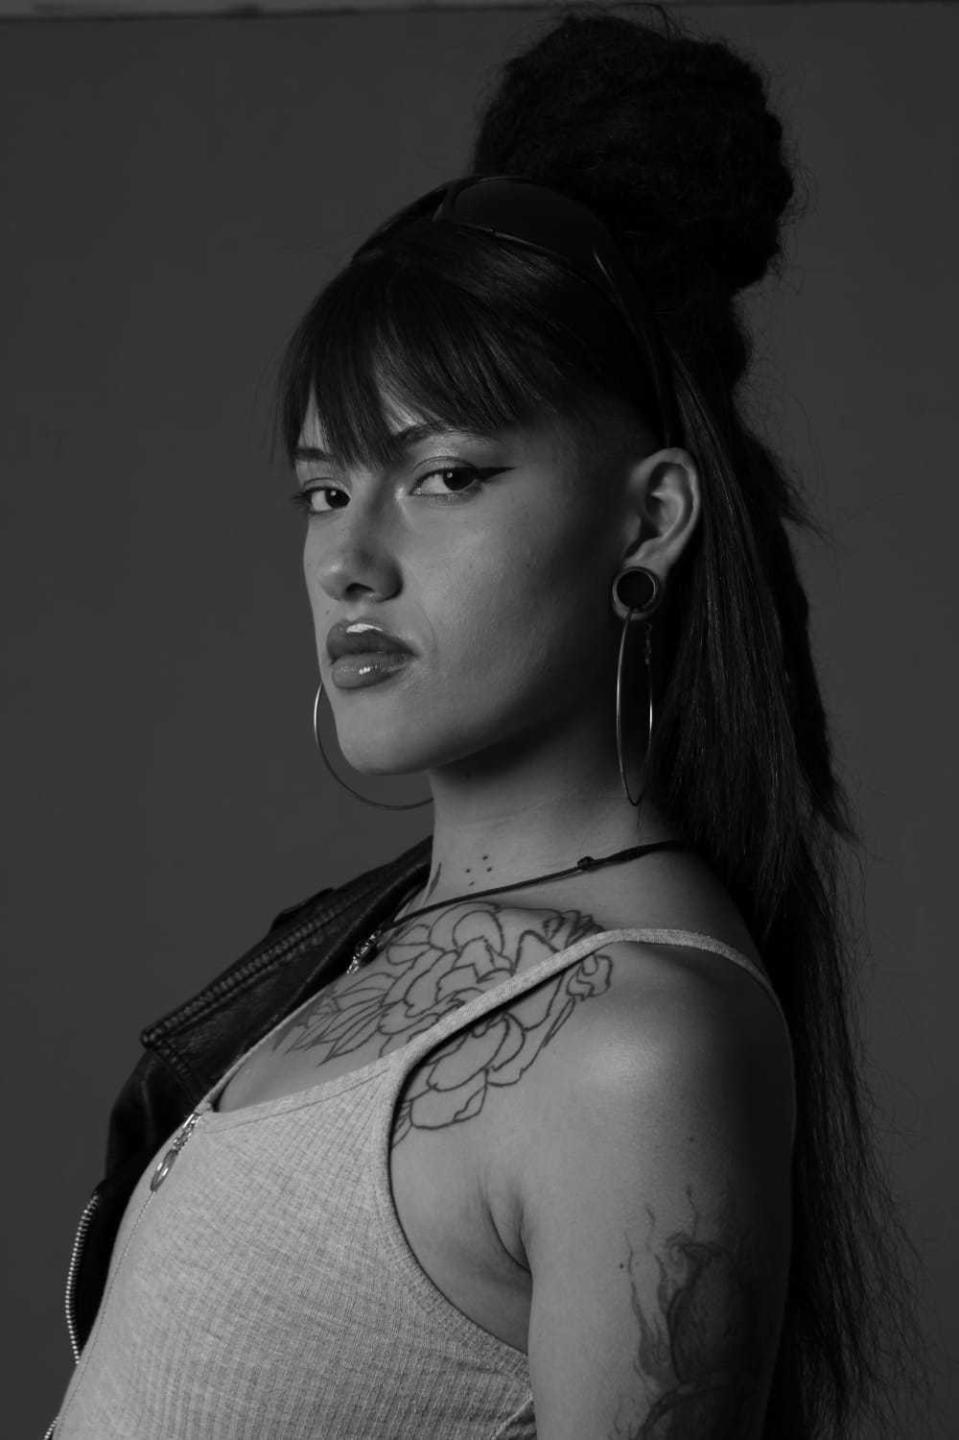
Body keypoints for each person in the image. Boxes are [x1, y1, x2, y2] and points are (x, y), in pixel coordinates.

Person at [46, 4, 934, 1438]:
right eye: (326, 490)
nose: (350, 560)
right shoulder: (365, 943)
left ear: (649, 519)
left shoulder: (638, 1051)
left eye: (446, 476)